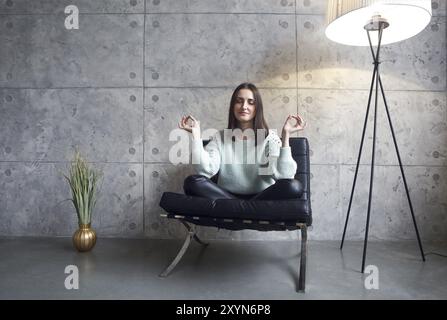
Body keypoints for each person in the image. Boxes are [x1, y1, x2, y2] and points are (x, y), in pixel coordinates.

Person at [178, 82, 306, 201]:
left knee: (294, 187)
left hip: (261, 198)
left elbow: (284, 176)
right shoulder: (220, 137)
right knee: (192, 182)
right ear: (233, 107)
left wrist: (285, 136)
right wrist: (196, 136)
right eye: (239, 101)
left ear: (257, 108)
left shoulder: (269, 137)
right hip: (226, 197)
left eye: (251, 102)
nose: (244, 106)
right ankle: (241, 208)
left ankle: (242, 208)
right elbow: (204, 170)